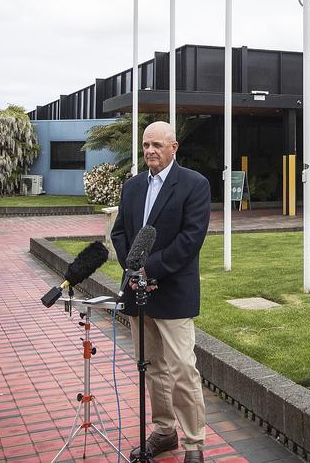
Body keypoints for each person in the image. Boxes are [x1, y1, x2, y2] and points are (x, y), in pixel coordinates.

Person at [111, 121, 211, 463]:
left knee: (183, 367)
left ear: (174, 148)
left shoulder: (195, 185)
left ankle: (195, 444)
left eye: (156, 144)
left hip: (174, 291)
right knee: (152, 367)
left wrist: (149, 268)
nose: (150, 151)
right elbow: (120, 233)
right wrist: (133, 269)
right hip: (139, 294)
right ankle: (165, 432)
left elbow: (190, 239)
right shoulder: (133, 186)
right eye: (145, 145)